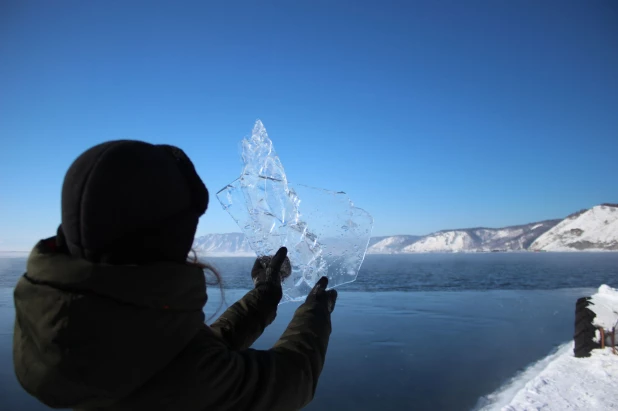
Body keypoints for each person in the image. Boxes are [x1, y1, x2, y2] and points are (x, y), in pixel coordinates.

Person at [13, 140, 338, 411]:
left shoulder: (66, 320)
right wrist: (316, 312)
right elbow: (289, 380)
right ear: (164, 239)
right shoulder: (185, 376)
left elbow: (195, 351)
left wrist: (265, 293)